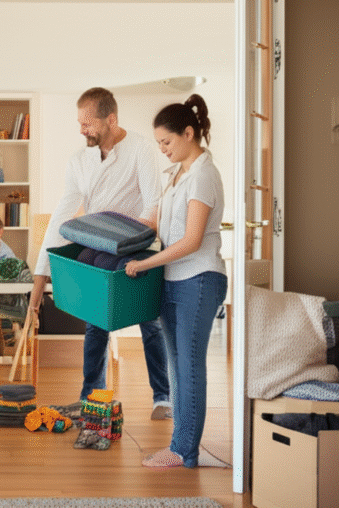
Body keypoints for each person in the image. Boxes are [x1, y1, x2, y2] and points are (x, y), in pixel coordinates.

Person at [27, 87, 171, 419]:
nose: (81, 131)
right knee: (96, 322)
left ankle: (163, 396)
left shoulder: (140, 150)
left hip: (138, 247)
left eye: (87, 124)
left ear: (111, 119)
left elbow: (154, 202)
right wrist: (39, 282)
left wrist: (131, 237)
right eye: (79, 123)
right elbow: (61, 218)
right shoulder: (79, 161)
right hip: (97, 249)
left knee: (150, 321)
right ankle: (93, 398)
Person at [124, 94, 227, 468]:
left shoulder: (203, 175)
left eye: (167, 142)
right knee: (176, 364)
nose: (163, 150)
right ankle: (181, 446)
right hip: (173, 280)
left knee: (189, 366)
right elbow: (160, 225)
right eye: (159, 144)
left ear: (189, 132)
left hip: (198, 279)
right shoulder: (176, 176)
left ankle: (184, 448)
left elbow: (191, 240)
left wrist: (147, 263)